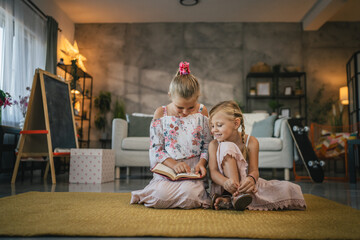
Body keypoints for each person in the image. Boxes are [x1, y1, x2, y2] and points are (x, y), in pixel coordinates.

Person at [130, 61, 213, 209]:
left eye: (191, 107)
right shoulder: (161, 113)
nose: (186, 112)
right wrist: (174, 164)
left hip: (192, 171)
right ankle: (166, 194)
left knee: (190, 195)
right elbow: (156, 148)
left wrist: (202, 163)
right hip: (167, 170)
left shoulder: (202, 111)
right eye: (180, 107)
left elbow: (207, 144)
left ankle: (187, 194)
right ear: (170, 96)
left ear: (198, 97)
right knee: (160, 196)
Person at [208, 100, 307, 211]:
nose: (214, 130)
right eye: (212, 126)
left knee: (289, 188)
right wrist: (225, 182)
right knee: (227, 146)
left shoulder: (251, 141)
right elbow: (213, 172)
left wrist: (250, 180)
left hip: (246, 187)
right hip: (224, 186)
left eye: (219, 125)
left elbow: (254, 171)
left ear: (236, 123)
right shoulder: (214, 144)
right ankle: (234, 196)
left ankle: (229, 201)